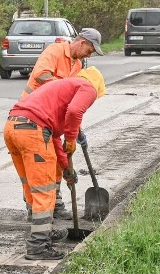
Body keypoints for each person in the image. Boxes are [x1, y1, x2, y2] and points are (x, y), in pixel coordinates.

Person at [4, 67, 106, 260]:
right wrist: (72, 138)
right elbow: (75, 112)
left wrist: (67, 169)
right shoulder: (88, 86)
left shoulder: (62, 86)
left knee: (32, 187)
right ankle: (37, 246)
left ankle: (44, 231)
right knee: (45, 191)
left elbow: (53, 138)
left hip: (13, 127)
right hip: (33, 130)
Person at [21, 27, 104, 221]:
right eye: (90, 51)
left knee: (58, 160)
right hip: (34, 114)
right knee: (43, 162)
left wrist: (75, 131)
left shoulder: (77, 66)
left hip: (52, 118)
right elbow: (42, 74)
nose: (89, 55)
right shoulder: (55, 50)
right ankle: (36, 208)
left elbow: (72, 104)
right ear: (82, 42)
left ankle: (55, 204)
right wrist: (61, 86)